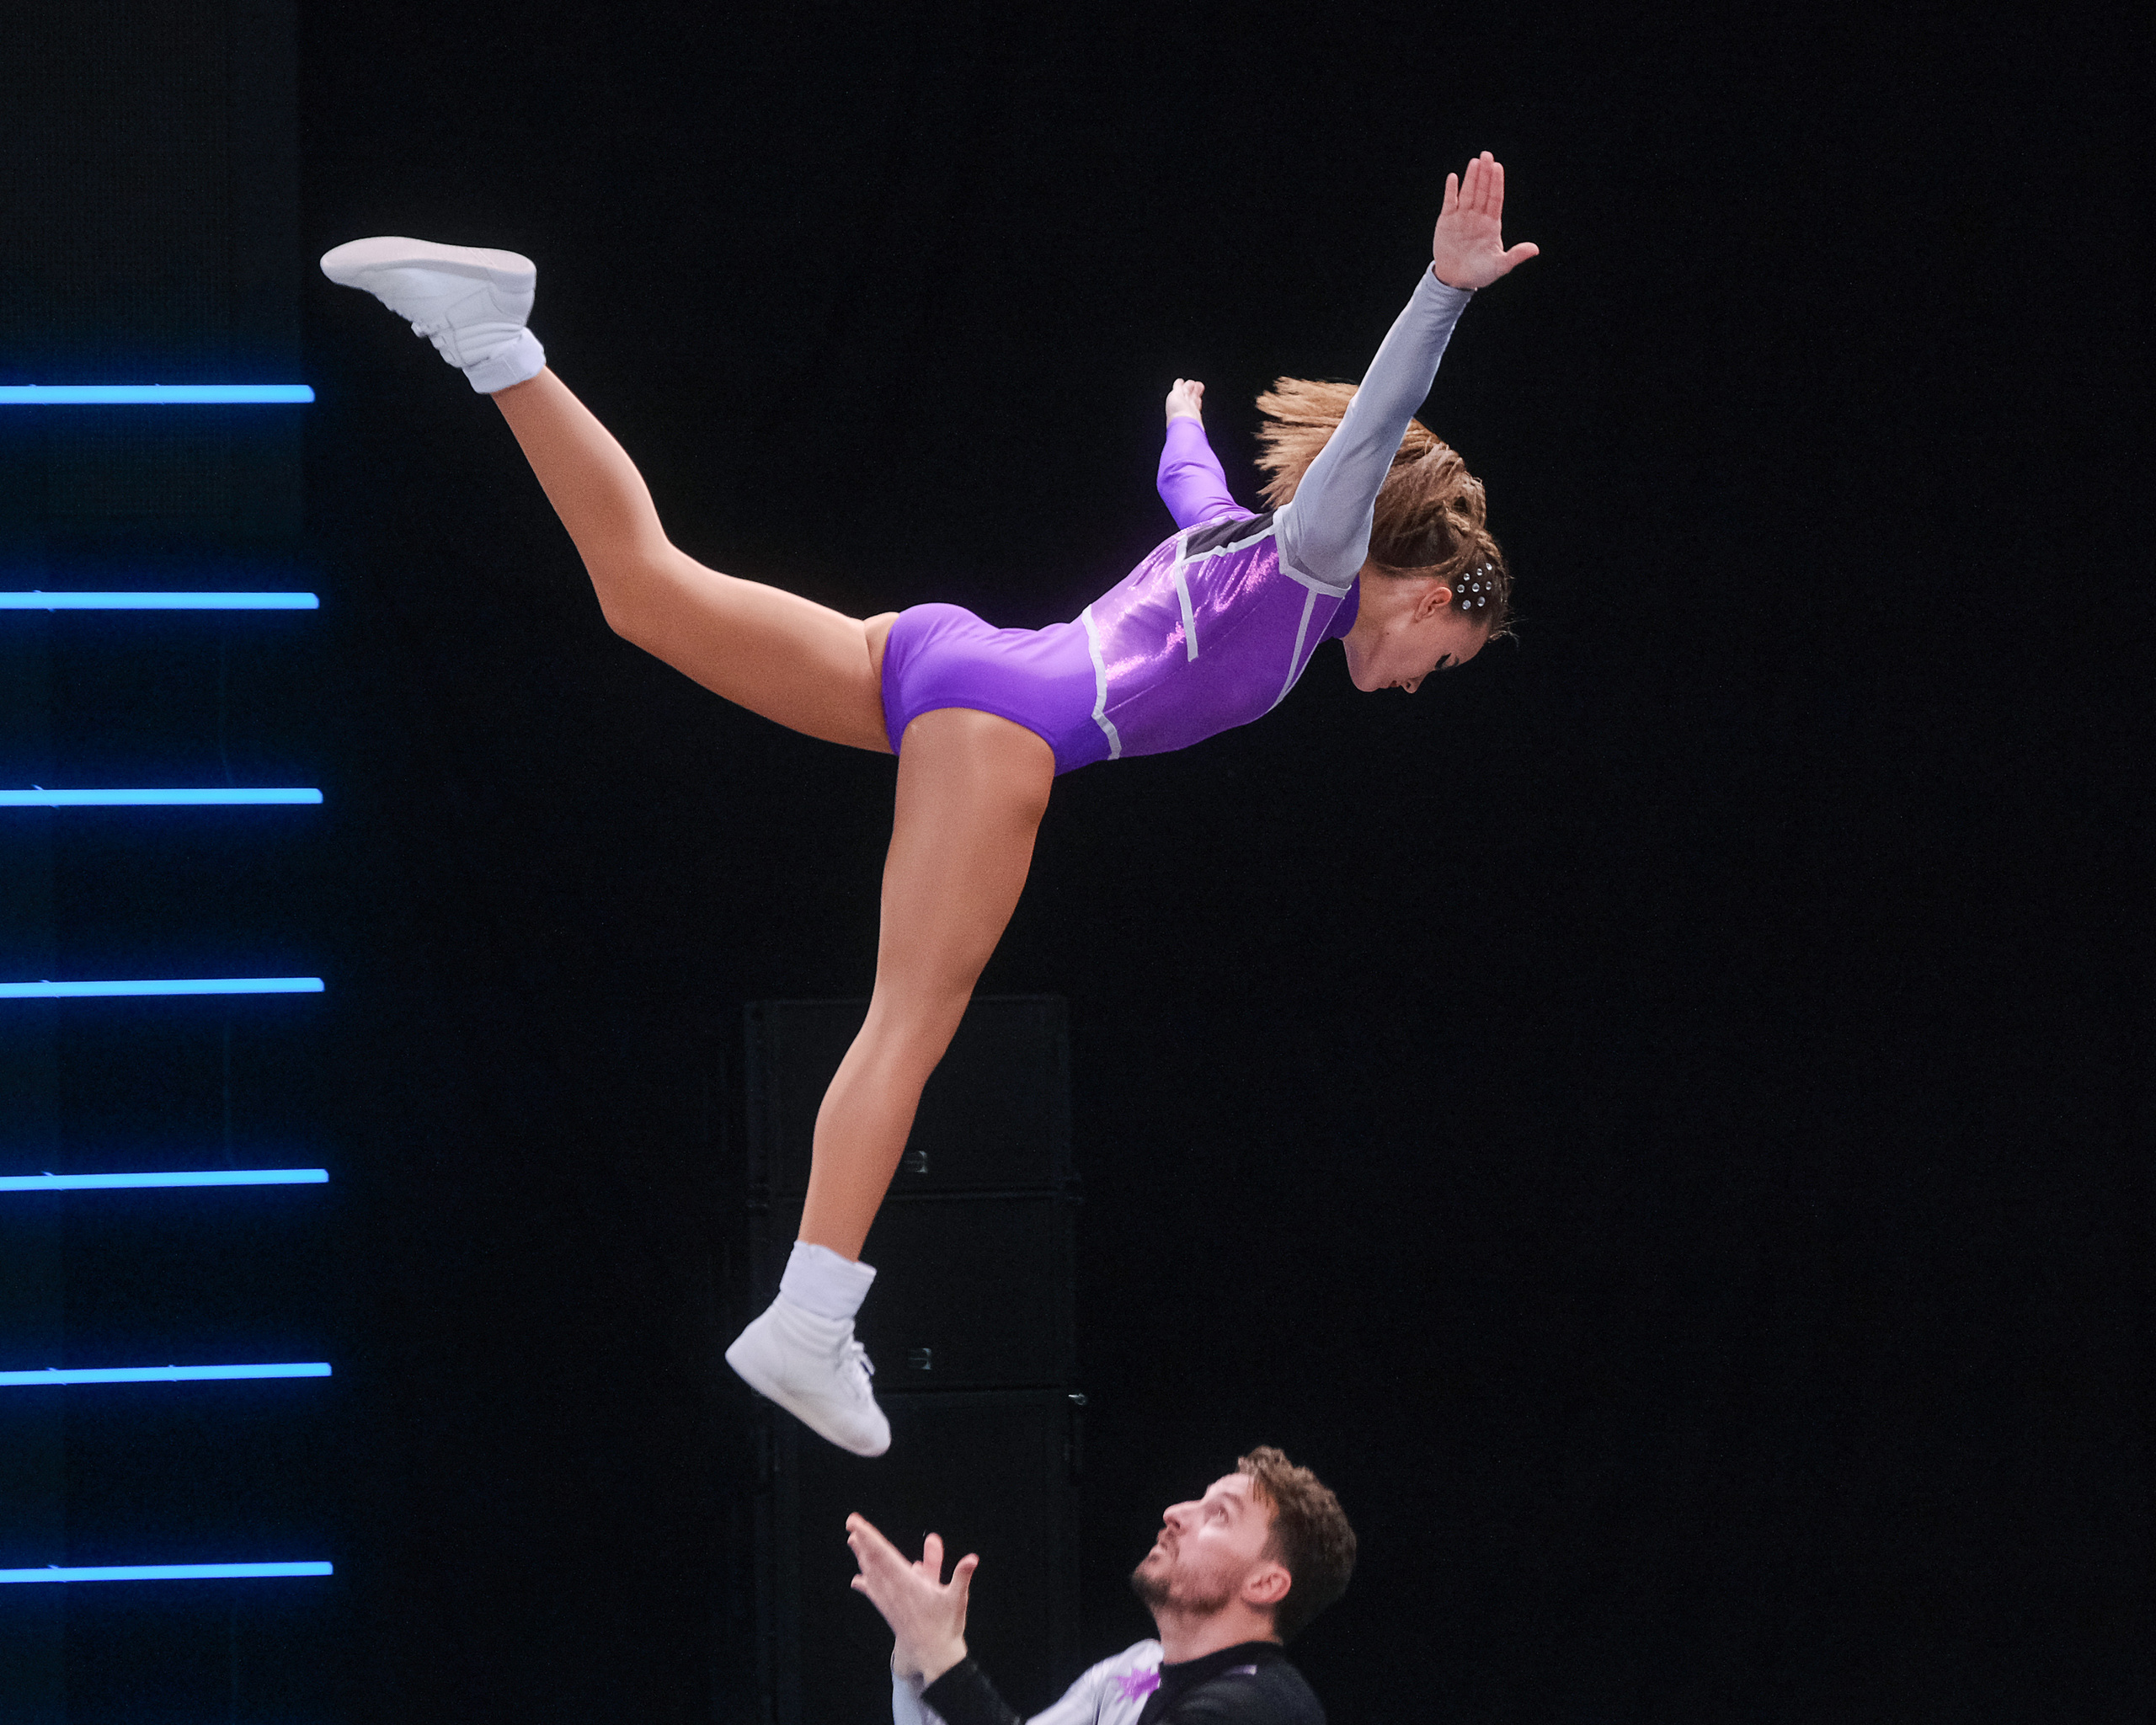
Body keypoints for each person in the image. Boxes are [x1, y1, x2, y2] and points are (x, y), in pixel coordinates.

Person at [320, 153, 1537, 1459]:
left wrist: (1182, 417)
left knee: (645, 591)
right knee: (905, 1022)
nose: (1418, 681)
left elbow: (1188, 484)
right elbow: (1378, 421)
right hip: (1010, 723)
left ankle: (492, 340)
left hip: (941, 656)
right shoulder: (1317, 560)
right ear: (1431, 595)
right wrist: (1444, 290)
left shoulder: (1235, 541)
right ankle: (809, 1319)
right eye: (1442, 660)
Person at [849, 1445, 1355, 1725]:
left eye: (1218, 1515)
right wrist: (917, 1663)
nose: (1176, 1512)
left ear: (1266, 1584)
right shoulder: (1134, 1669)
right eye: (1197, 1500)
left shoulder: (1260, 1709)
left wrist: (944, 1658)